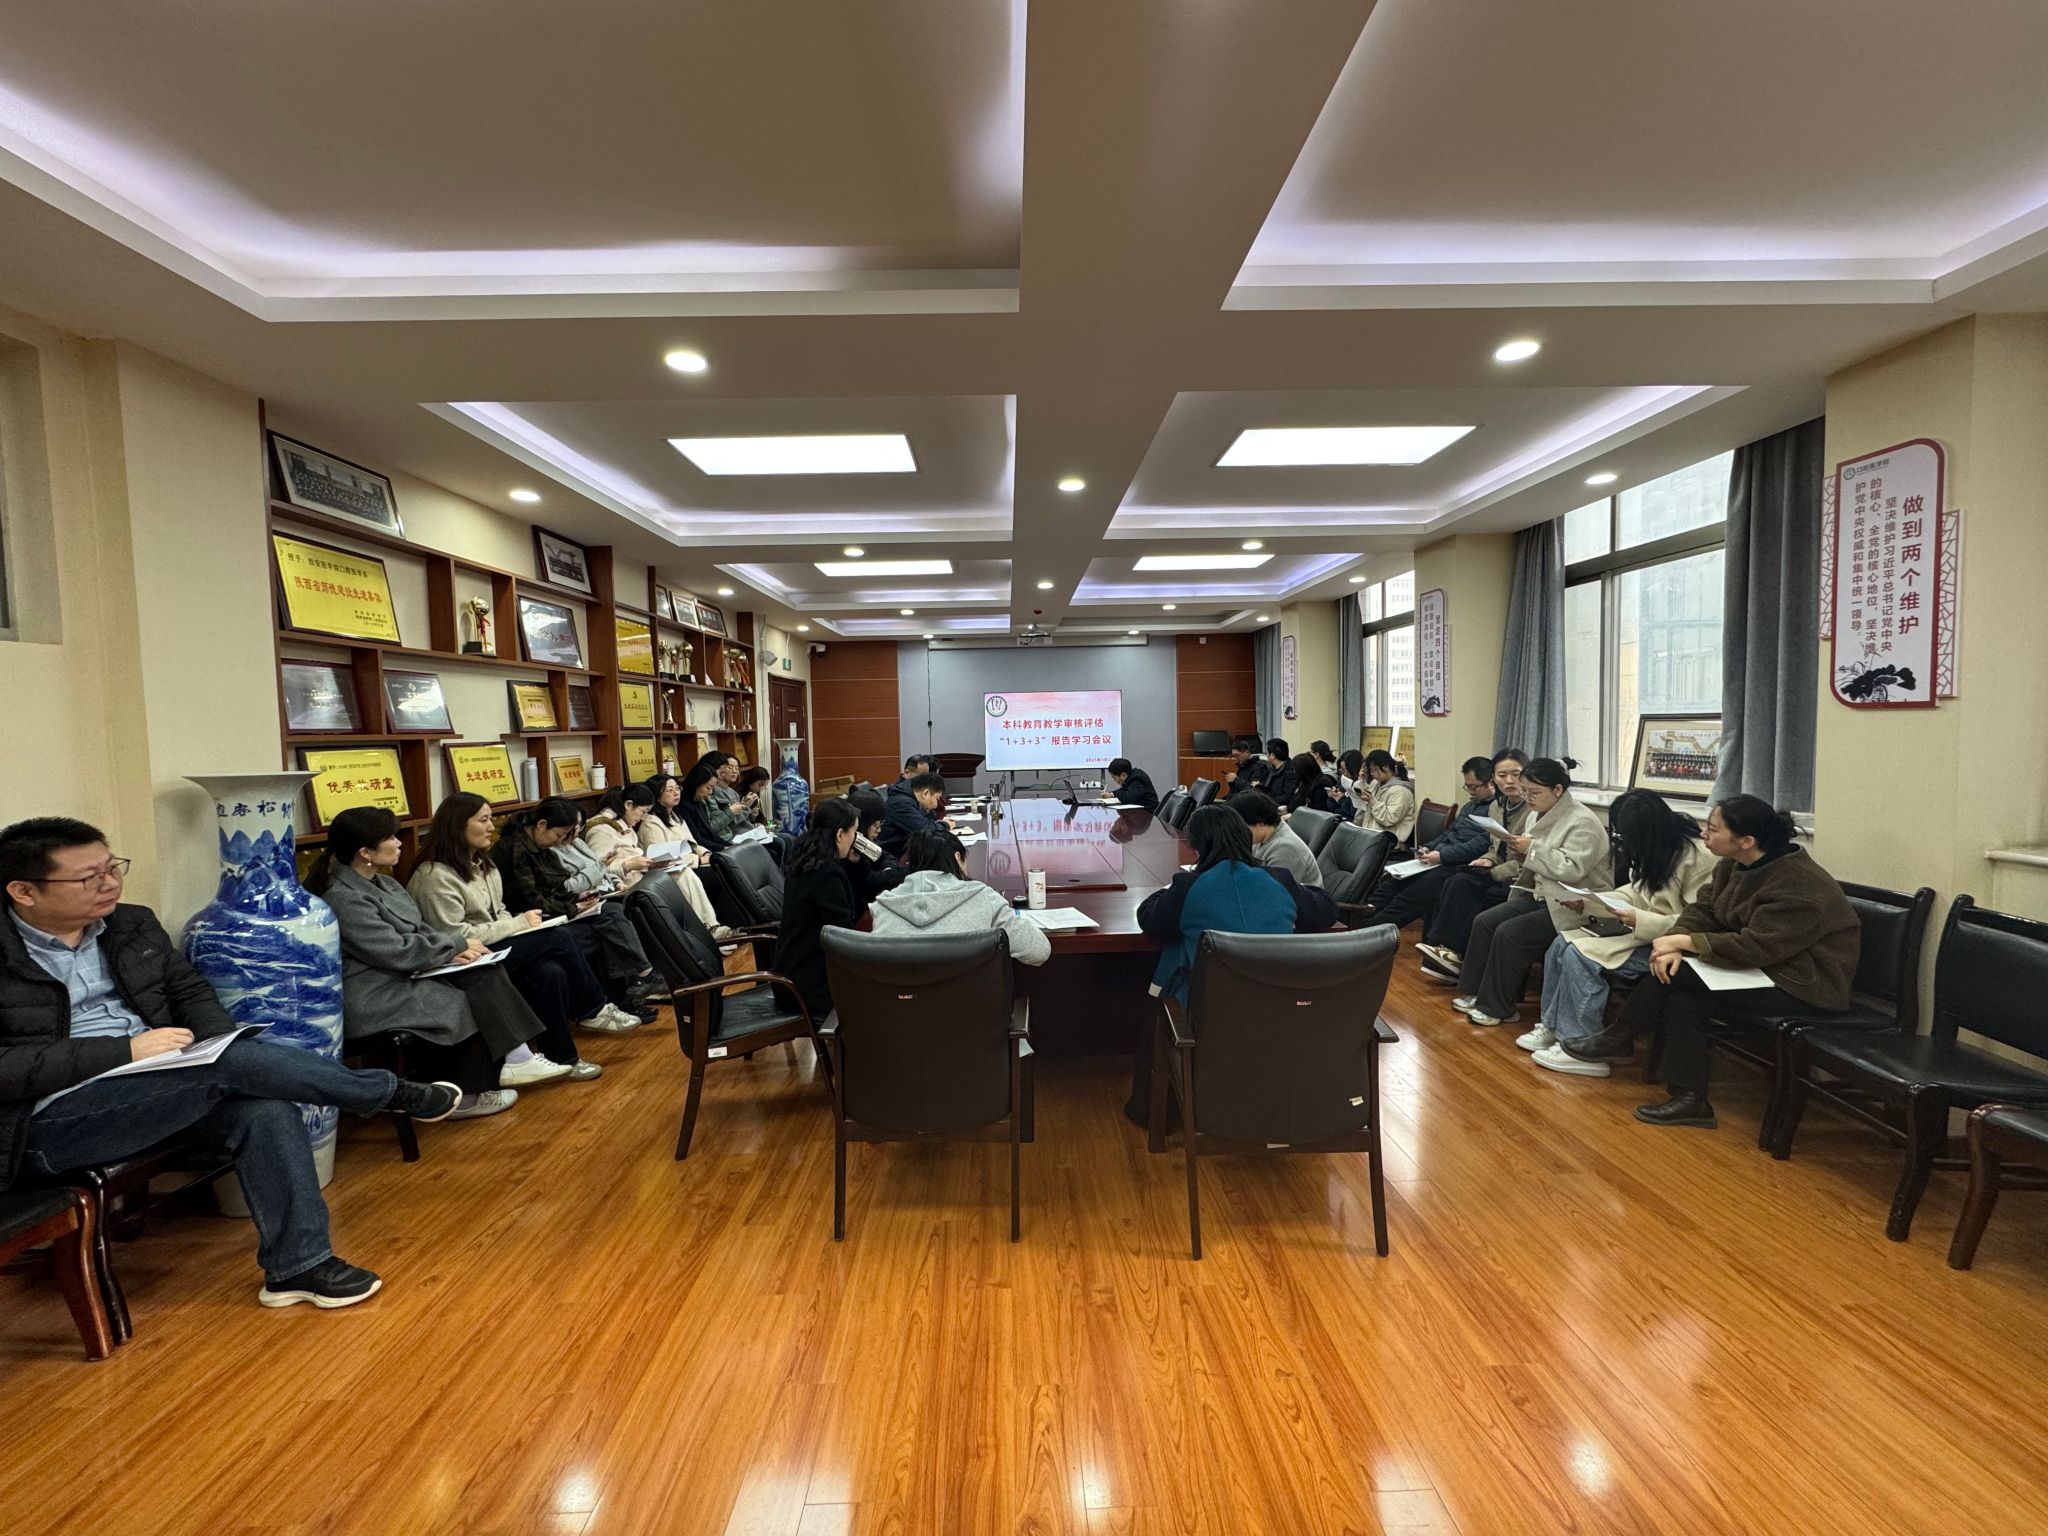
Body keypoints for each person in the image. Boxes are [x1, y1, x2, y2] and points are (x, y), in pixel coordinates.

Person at [2, 816, 463, 1309]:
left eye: (112, 868)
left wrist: (217, 1042)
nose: (109, 883)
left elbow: (189, 991)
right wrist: (125, 1052)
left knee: (264, 1108)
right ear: (24, 891)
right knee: (225, 1067)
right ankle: (389, 1093)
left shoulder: (129, 924)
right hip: (46, 1124)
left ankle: (298, 1267)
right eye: (88, 878)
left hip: (155, 1084)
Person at [1558, 796, 1860, 1128]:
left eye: (1714, 829)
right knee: (1682, 992)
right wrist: (1675, 943)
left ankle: (1621, 1035)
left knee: (1680, 977)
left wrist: (1683, 942)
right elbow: (1702, 910)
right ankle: (1690, 1099)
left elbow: (1756, 946)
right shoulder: (1733, 865)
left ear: (1746, 841)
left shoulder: (1798, 885)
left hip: (1802, 982)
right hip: (1762, 968)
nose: (1703, 834)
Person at [308, 807, 537, 1114]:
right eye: (391, 837)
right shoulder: (343, 897)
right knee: (462, 999)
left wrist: (453, 950)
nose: (399, 843)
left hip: (406, 973)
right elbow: (393, 950)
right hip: (375, 989)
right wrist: (453, 945)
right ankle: (468, 1095)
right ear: (365, 852)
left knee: (484, 972)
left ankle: (512, 1062)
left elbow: (422, 930)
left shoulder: (386, 883)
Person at [1127, 805, 1338, 1122]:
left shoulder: (1188, 887)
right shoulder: (1279, 880)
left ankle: (1160, 1111)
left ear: (1197, 846)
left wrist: (1173, 887)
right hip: (1281, 1007)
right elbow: (1325, 911)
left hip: (1206, 1012)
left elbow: (1150, 919)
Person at [407, 794, 632, 1071]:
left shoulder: (483, 864)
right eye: (483, 820)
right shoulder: (434, 876)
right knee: (559, 937)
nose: (491, 827)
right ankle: (593, 1008)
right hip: (463, 960)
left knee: (550, 972)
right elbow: (455, 934)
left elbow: (499, 909)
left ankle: (563, 1059)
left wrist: (515, 925)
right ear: (457, 825)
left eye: (491, 819)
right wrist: (518, 924)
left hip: (495, 944)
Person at [1528, 791, 1719, 1075]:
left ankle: (1582, 1043)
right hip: (1646, 932)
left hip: (1675, 945)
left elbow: (1698, 921)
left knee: (1580, 956)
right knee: (1562, 942)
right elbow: (1636, 891)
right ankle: (1554, 1026)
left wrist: (1640, 918)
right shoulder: (1656, 848)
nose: (1621, 841)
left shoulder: (1699, 859)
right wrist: (1591, 902)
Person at [1449, 757, 1611, 1027]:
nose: (1528, 798)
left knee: (1510, 933)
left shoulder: (1583, 823)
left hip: (1573, 903)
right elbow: (1535, 860)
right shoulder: (1538, 813)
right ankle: (1477, 993)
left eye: (1534, 792)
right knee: (1485, 921)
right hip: (1540, 893)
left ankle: (1498, 1007)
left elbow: (1572, 869)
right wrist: (1522, 854)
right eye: (1525, 791)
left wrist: (1531, 851)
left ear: (1558, 790)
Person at [491, 798, 662, 1021]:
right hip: (532, 921)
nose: (561, 840)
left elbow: (557, 886)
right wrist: (573, 907)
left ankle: (631, 989)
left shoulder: (539, 845)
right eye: (560, 834)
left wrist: (577, 898)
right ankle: (611, 1002)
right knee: (604, 930)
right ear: (541, 825)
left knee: (611, 912)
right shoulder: (516, 850)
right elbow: (532, 901)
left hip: (552, 912)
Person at [1416, 749, 1532, 980]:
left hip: (1521, 878)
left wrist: (1494, 869)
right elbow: (1496, 847)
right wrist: (1487, 859)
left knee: (1462, 884)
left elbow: (1530, 859)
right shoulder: (1497, 807)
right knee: (1456, 880)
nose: (1509, 781)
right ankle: (1443, 951)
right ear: (1493, 778)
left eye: (1516, 774)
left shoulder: (1533, 809)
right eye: (1502, 775)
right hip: (1499, 869)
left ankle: (1450, 953)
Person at [869, 828, 1052, 966]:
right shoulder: (983, 897)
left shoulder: (883, 907)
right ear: (957, 858)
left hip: (900, 1006)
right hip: (972, 1006)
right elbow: (1039, 951)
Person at [1359, 755, 1499, 929]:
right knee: (1388, 889)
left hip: (1456, 865)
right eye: (1467, 786)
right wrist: (1428, 847)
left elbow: (1479, 846)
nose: (1470, 791)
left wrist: (1442, 856)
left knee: (1406, 900)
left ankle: (1366, 935)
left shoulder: (1497, 811)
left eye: (1474, 787)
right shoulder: (1470, 806)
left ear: (1491, 783)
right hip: (1436, 859)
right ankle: (1354, 926)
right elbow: (1449, 833)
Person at [771, 799, 868, 1024]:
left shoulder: (805, 859)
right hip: (808, 986)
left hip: (791, 972)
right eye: (854, 832)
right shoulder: (826, 873)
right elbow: (843, 935)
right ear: (840, 834)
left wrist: (851, 865)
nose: (856, 838)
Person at [585, 783, 723, 931]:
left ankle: (709, 926)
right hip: (627, 886)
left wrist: (650, 863)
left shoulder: (625, 823)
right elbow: (598, 873)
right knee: (686, 876)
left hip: (643, 877)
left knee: (684, 873)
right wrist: (628, 865)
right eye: (643, 811)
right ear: (628, 805)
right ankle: (708, 928)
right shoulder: (601, 830)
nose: (644, 817)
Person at [1229, 789, 1323, 887]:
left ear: (1260, 824)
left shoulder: (1285, 848)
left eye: (1242, 828)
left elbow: (1275, 891)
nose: (1240, 834)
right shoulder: (1263, 834)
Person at [881, 770, 948, 857]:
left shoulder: (909, 798)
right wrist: (946, 825)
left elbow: (929, 819)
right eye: (937, 798)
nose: (936, 804)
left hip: (905, 851)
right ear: (925, 793)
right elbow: (926, 831)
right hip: (893, 857)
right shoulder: (901, 803)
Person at [1358, 749, 1418, 844]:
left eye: (1374, 770)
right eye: (1370, 771)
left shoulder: (1401, 791)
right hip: (1371, 836)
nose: (1372, 774)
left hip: (1388, 843)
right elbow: (1363, 799)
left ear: (1386, 767)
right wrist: (1362, 781)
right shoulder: (1376, 784)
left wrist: (1372, 802)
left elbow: (1389, 819)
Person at [677, 761, 737, 854]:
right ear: (696, 784)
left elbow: (711, 834)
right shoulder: (682, 806)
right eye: (708, 788)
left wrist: (731, 846)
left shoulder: (699, 802)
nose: (710, 792)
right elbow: (697, 840)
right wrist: (724, 848)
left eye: (712, 788)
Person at [1262, 738, 1298, 804]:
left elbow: (1287, 797)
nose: (1266, 755)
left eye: (1266, 753)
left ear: (1272, 755)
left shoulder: (1290, 772)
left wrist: (1266, 800)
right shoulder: (1271, 768)